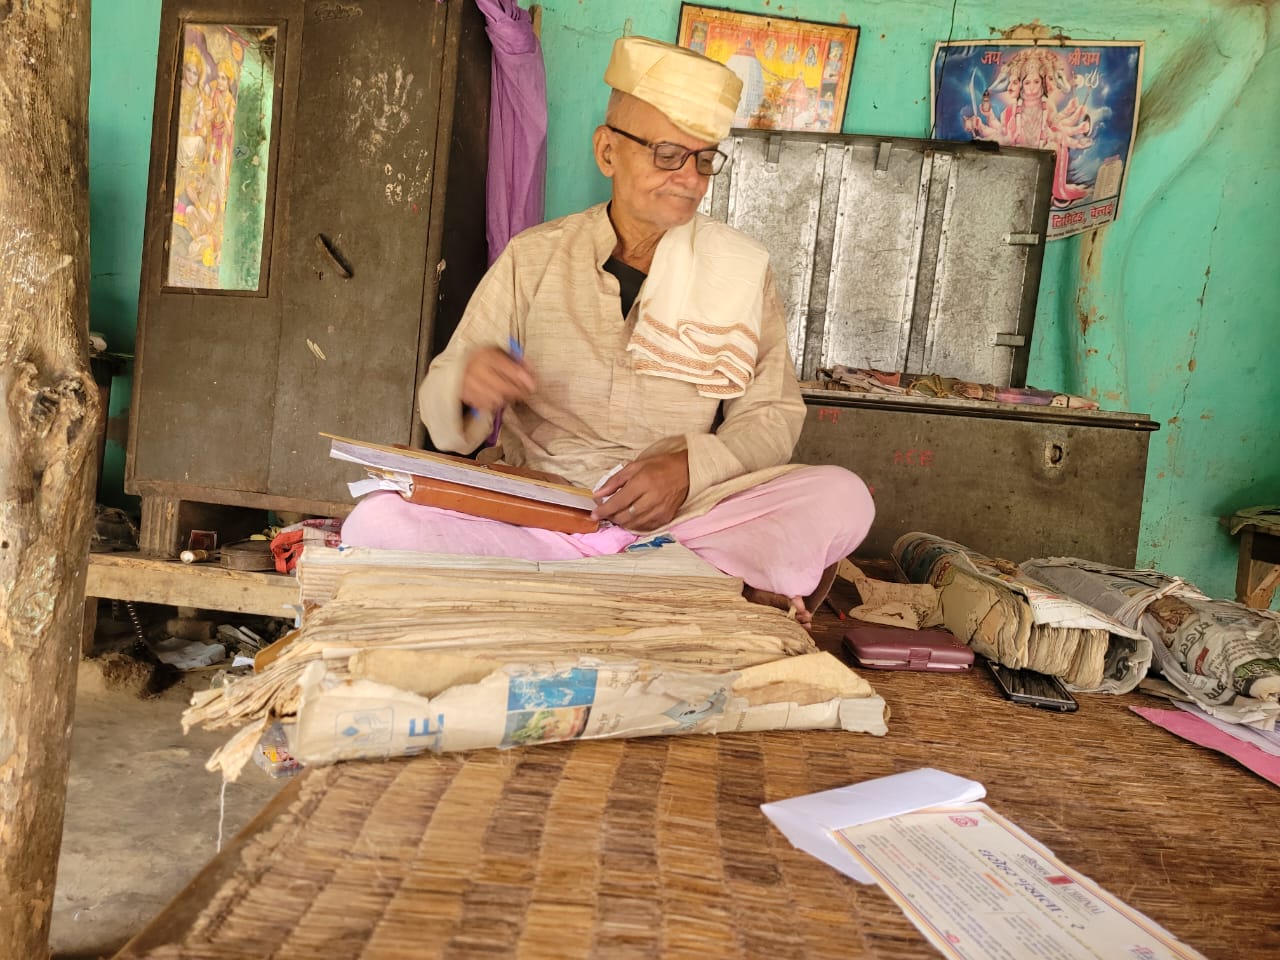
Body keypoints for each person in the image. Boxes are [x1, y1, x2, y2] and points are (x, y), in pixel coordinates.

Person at [341, 36, 874, 625]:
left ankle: (604, 582)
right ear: (607, 151)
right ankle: (669, 588)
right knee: (378, 520)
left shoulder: (742, 269)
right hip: (543, 512)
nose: (691, 179)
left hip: (686, 515)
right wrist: (467, 385)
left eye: (705, 159)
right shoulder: (535, 258)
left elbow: (771, 413)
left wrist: (691, 469)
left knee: (843, 498)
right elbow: (448, 405)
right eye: (669, 154)